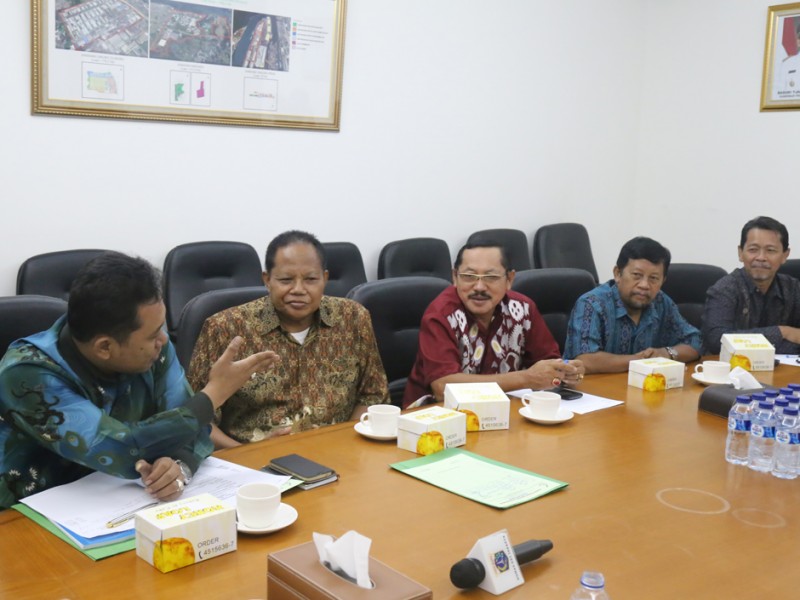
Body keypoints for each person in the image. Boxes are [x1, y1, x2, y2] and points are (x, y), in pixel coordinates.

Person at [0, 252, 277, 509]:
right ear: (105, 347)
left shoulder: (151, 345)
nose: (164, 340)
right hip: (27, 514)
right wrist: (213, 394)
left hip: (121, 503)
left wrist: (178, 465)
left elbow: (193, 426)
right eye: (154, 334)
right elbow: (120, 448)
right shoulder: (27, 374)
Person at [187, 230, 389, 448]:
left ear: (325, 278)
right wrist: (249, 454)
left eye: (311, 279)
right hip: (251, 460)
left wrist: (345, 442)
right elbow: (195, 420)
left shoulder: (353, 318)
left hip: (339, 452)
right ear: (267, 280)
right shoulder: (224, 329)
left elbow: (372, 396)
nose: (299, 290)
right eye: (286, 280)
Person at [403, 242, 584, 408]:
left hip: (504, 411)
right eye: (469, 276)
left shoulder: (523, 308)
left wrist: (566, 372)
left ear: (509, 279)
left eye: (490, 277)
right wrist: (526, 378)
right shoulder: (441, 315)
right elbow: (443, 387)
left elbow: (548, 363)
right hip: (438, 416)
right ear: (455, 277)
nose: (479, 287)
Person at [563, 237, 700, 373]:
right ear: (618, 274)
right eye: (637, 275)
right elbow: (585, 360)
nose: (644, 285)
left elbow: (696, 342)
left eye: (653, 278)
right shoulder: (592, 304)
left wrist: (667, 353)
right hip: (594, 386)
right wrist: (642, 361)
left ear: (663, 281)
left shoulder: (661, 302)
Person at [701, 216, 800, 354]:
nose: (761, 257)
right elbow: (717, 340)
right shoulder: (725, 289)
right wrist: (782, 332)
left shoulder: (793, 288)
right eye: (753, 250)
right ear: (740, 253)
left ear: (785, 255)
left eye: (770, 250)